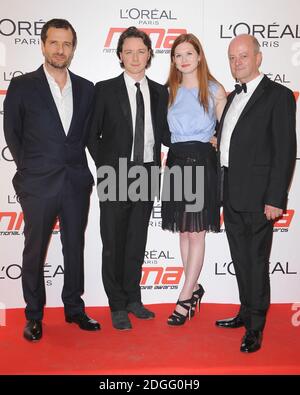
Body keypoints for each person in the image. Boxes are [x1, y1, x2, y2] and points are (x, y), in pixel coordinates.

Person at [3, 19, 100, 341]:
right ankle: (34, 315)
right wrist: (28, 171)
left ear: (73, 48)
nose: (60, 50)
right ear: (43, 45)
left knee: (75, 247)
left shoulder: (87, 89)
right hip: (38, 184)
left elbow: (89, 137)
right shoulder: (23, 86)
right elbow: (12, 133)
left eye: (67, 44)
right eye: (54, 43)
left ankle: (74, 307)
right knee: (34, 250)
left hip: (75, 182)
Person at [216, 34, 296, 352]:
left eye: (244, 56)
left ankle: (255, 328)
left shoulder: (279, 95)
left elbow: (285, 150)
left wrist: (275, 198)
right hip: (231, 193)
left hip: (260, 197)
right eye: (233, 57)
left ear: (259, 58)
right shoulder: (234, 95)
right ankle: (245, 311)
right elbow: (234, 141)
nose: (237, 62)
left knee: (257, 261)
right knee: (240, 259)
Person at [87, 27, 170, 330]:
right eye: (129, 51)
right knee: (113, 242)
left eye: (141, 51)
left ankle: (133, 299)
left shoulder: (161, 92)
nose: (135, 57)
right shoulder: (104, 89)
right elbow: (91, 135)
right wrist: (106, 166)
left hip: (147, 171)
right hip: (114, 173)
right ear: (120, 55)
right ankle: (116, 304)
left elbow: (166, 134)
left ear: (149, 54)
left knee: (136, 240)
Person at [161, 33, 227, 325]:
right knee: (184, 231)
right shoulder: (169, 91)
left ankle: (185, 296)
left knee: (196, 231)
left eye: (189, 54)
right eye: (178, 55)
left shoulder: (215, 90)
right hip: (176, 161)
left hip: (202, 163)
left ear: (199, 56)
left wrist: (216, 139)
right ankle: (194, 288)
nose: (184, 60)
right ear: (173, 60)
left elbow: (228, 131)